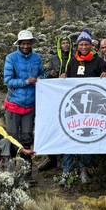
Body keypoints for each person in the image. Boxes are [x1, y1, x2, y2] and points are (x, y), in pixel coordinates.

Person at [60, 28, 106, 185]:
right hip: (74, 107)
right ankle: (66, 171)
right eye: (81, 44)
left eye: (86, 44)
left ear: (91, 45)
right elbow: (66, 79)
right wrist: (64, 77)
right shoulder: (72, 61)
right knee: (69, 136)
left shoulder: (99, 61)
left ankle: (84, 169)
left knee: (87, 137)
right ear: (77, 46)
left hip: (91, 108)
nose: (83, 46)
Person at [3, 30, 44, 168]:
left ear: (32, 43)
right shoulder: (11, 58)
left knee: (27, 138)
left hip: (30, 106)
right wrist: (26, 81)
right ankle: (12, 170)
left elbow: (41, 74)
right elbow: (8, 81)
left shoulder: (37, 58)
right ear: (19, 44)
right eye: (23, 43)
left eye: (28, 43)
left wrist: (40, 79)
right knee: (13, 139)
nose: (26, 46)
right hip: (14, 104)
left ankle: (26, 171)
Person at [40, 34, 73, 172]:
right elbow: (45, 74)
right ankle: (52, 158)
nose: (65, 45)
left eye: (67, 43)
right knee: (52, 128)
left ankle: (67, 164)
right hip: (55, 98)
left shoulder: (75, 58)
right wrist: (52, 74)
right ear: (59, 45)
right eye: (63, 43)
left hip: (71, 99)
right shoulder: (53, 59)